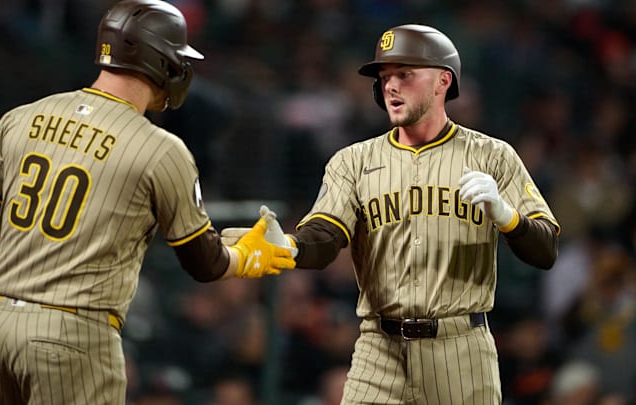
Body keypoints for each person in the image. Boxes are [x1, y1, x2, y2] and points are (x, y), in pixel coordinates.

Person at [0, 1, 295, 404]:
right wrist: (246, 256)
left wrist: (15, 305)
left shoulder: (22, 117)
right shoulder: (160, 149)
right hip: (73, 338)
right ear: (162, 63)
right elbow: (203, 262)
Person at [228, 24, 561, 404]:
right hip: (378, 347)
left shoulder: (493, 156)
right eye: (385, 77)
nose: (390, 85)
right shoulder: (353, 161)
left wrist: (507, 217)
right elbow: (325, 236)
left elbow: (546, 249)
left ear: (442, 81)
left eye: (404, 74)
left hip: (459, 348)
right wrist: (288, 245)